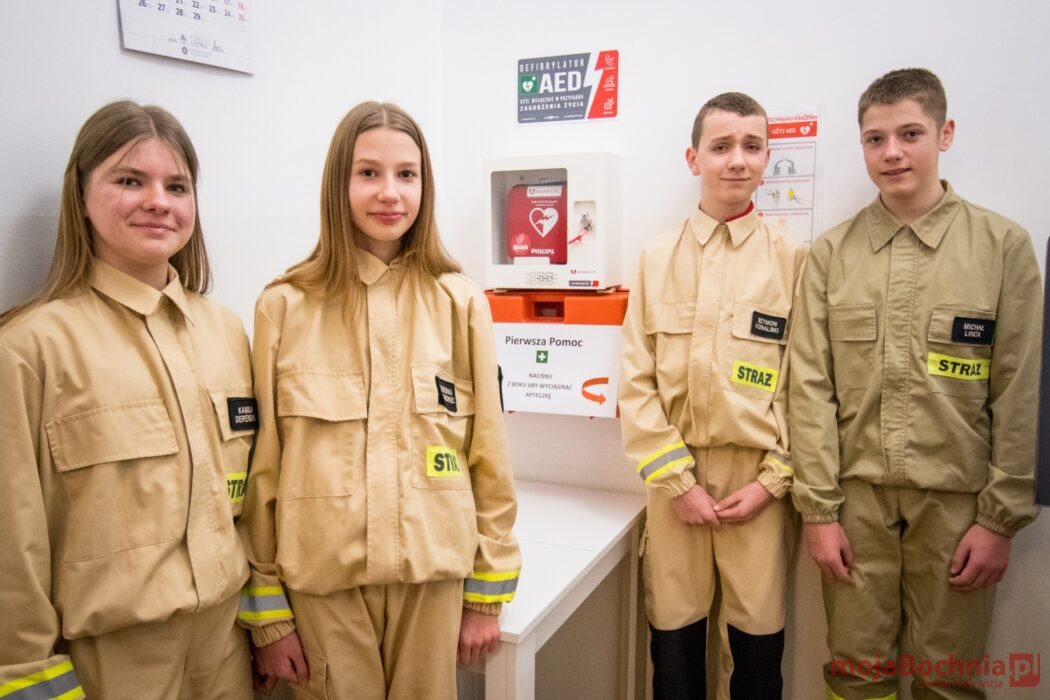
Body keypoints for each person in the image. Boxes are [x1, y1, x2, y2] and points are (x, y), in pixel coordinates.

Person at [239, 101, 521, 699]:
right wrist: (269, 615)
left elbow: (489, 460)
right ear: (337, 185)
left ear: (425, 186)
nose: (389, 192)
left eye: (406, 174)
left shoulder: (462, 304)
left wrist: (486, 595)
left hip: (432, 581)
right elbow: (262, 471)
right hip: (322, 588)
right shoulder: (283, 307)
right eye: (368, 172)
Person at [790, 68, 1041, 699]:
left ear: (944, 133)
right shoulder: (831, 255)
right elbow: (810, 389)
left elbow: (1020, 392)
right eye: (875, 139)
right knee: (855, 673)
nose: (892, 153)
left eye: (910, 134)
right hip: (854, 504)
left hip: (960, 506)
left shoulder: (1003, 247)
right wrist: (819, 512)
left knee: (947, 680)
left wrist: (1000, 520)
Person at [0, 101, 256, 698]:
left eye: (177, 186)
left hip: (227, 652)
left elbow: (247, 501)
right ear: (80, 195)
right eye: (129, 181)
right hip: (107, 665)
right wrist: (28, 674)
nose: (158, 202)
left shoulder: (226, 332)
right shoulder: (29, 347)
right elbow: (12, 539)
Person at [619, 92, 807, 698]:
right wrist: (678, 484)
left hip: (759, 484)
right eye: (721, 146)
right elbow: (636, 379)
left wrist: (773, 481)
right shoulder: (655, 258)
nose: (737, 160)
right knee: (674, 647)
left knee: (757, 649)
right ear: (693, 157)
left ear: (768, 157)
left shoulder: (794, 261)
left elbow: (805, 384)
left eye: (752, 146)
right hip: (673, 480)